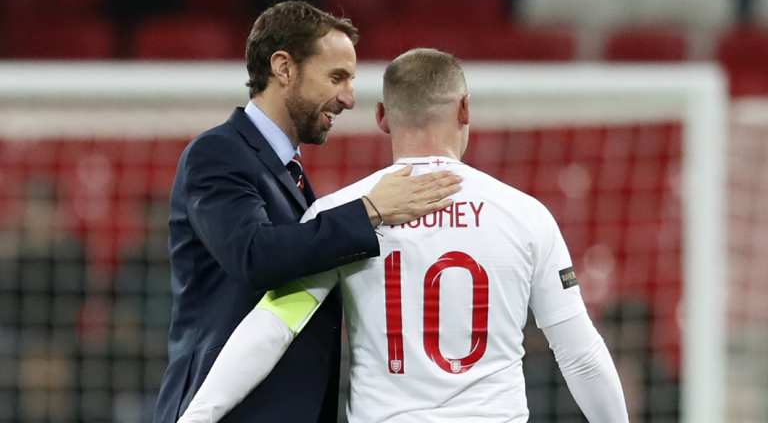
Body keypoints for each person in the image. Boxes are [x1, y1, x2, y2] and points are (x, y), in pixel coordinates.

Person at [177, 48, 629, 423]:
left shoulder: (340, 215)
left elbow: (272, 328)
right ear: (465, 108)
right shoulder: (525, 215)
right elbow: (580, 354)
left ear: (381, 117)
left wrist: (195, 417)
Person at [152, 2, 461, 423]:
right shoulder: (219, 153)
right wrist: (370, 211)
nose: (349, 99)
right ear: (283, 68)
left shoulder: (286, 173)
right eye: (337, 78)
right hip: (229, 412)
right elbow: (253, 254)